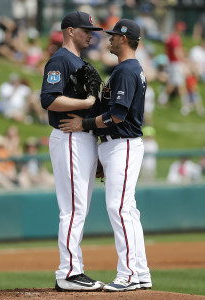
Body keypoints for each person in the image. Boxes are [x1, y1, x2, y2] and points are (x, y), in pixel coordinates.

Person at [59, 18, 152, 292]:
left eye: (113, 36)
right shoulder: (128, 69)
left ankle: (129, 275)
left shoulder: (125, 70)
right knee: (127, 210)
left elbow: (116, 115)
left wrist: (83, 124)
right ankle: (142, 272)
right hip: (117, 145)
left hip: (123, 143)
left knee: (120, 208)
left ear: (124, 39)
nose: (109, 39)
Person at [40, 11, 104, 292]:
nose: (91, 34)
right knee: (74, 208)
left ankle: (73, 269)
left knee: (80, 208)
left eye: (91, 30)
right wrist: (87, 102)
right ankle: (68, 272)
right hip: (69, 135)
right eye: (85, 29)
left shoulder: (79, 61)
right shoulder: (60, 60)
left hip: (83, 137)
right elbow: (49, 99)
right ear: (69, 31)